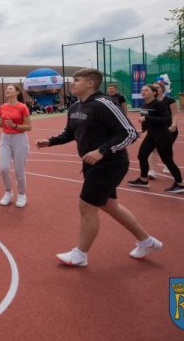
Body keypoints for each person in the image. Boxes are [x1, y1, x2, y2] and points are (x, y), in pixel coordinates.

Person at [36, 68, 162, 267]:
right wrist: (50, 142)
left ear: (90, 83)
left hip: (110, 163)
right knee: (110, 205)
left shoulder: (104, 104)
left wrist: (101, 151)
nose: (72, 83)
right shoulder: (75, 107)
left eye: (76, 80)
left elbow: (129, 133)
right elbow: (70, 132)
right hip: (91, 164)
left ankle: (80, 255)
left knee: (87, 207)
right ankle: (147, 241)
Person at [127, 85, 184, 193]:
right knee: (142, 155)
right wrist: (142, 130)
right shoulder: (144, 104)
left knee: (167, 160)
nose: (143, 92)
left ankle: (180, 184)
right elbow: (144, 120)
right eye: (142, 90)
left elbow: (166, 119)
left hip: (163, 135)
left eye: (146, 90)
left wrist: (147, 118)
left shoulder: (159, 104)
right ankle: (143, 180)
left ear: (154, 93)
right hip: (151, 135)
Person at [0, 85, 31, 207]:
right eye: (6, 89)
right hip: (5, 138)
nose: (7, 90)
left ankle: (22, 194)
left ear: (17, 92)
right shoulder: (2, 107)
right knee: (3, 168)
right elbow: (3, 125)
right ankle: (8, 192)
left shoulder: (22, 107)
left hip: (20, 139)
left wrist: (15, 126)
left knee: (19, 170)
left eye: (10, 89)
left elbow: (29, 127)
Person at [148, 81, 179, 179]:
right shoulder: (149, 101)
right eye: (153, 88)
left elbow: (174, 114)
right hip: (154, 129)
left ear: (162, 89)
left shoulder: (169, 100)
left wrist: (174, 125)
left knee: (166, 149)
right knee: (153, 150)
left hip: (168, 129)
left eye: (158, 87)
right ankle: (152, 171)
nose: (156, 89)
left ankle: (167, 165)